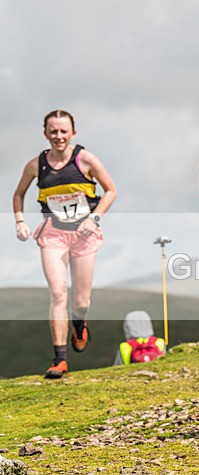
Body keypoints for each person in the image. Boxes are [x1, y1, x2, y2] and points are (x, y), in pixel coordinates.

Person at [13, 110, 117, 379]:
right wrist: (20, 222)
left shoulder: (85, 159)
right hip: (53, 234)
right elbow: (19, 194)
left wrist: (94, 219)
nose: (58, 136)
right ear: (45, 133)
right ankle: (59, 359)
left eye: (63, 131)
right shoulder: (36, 165)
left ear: (73, 133)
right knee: (58, 293)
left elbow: (111, 191)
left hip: (84, 235)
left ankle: (79, 323)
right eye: (53, 131)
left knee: (81, 300)